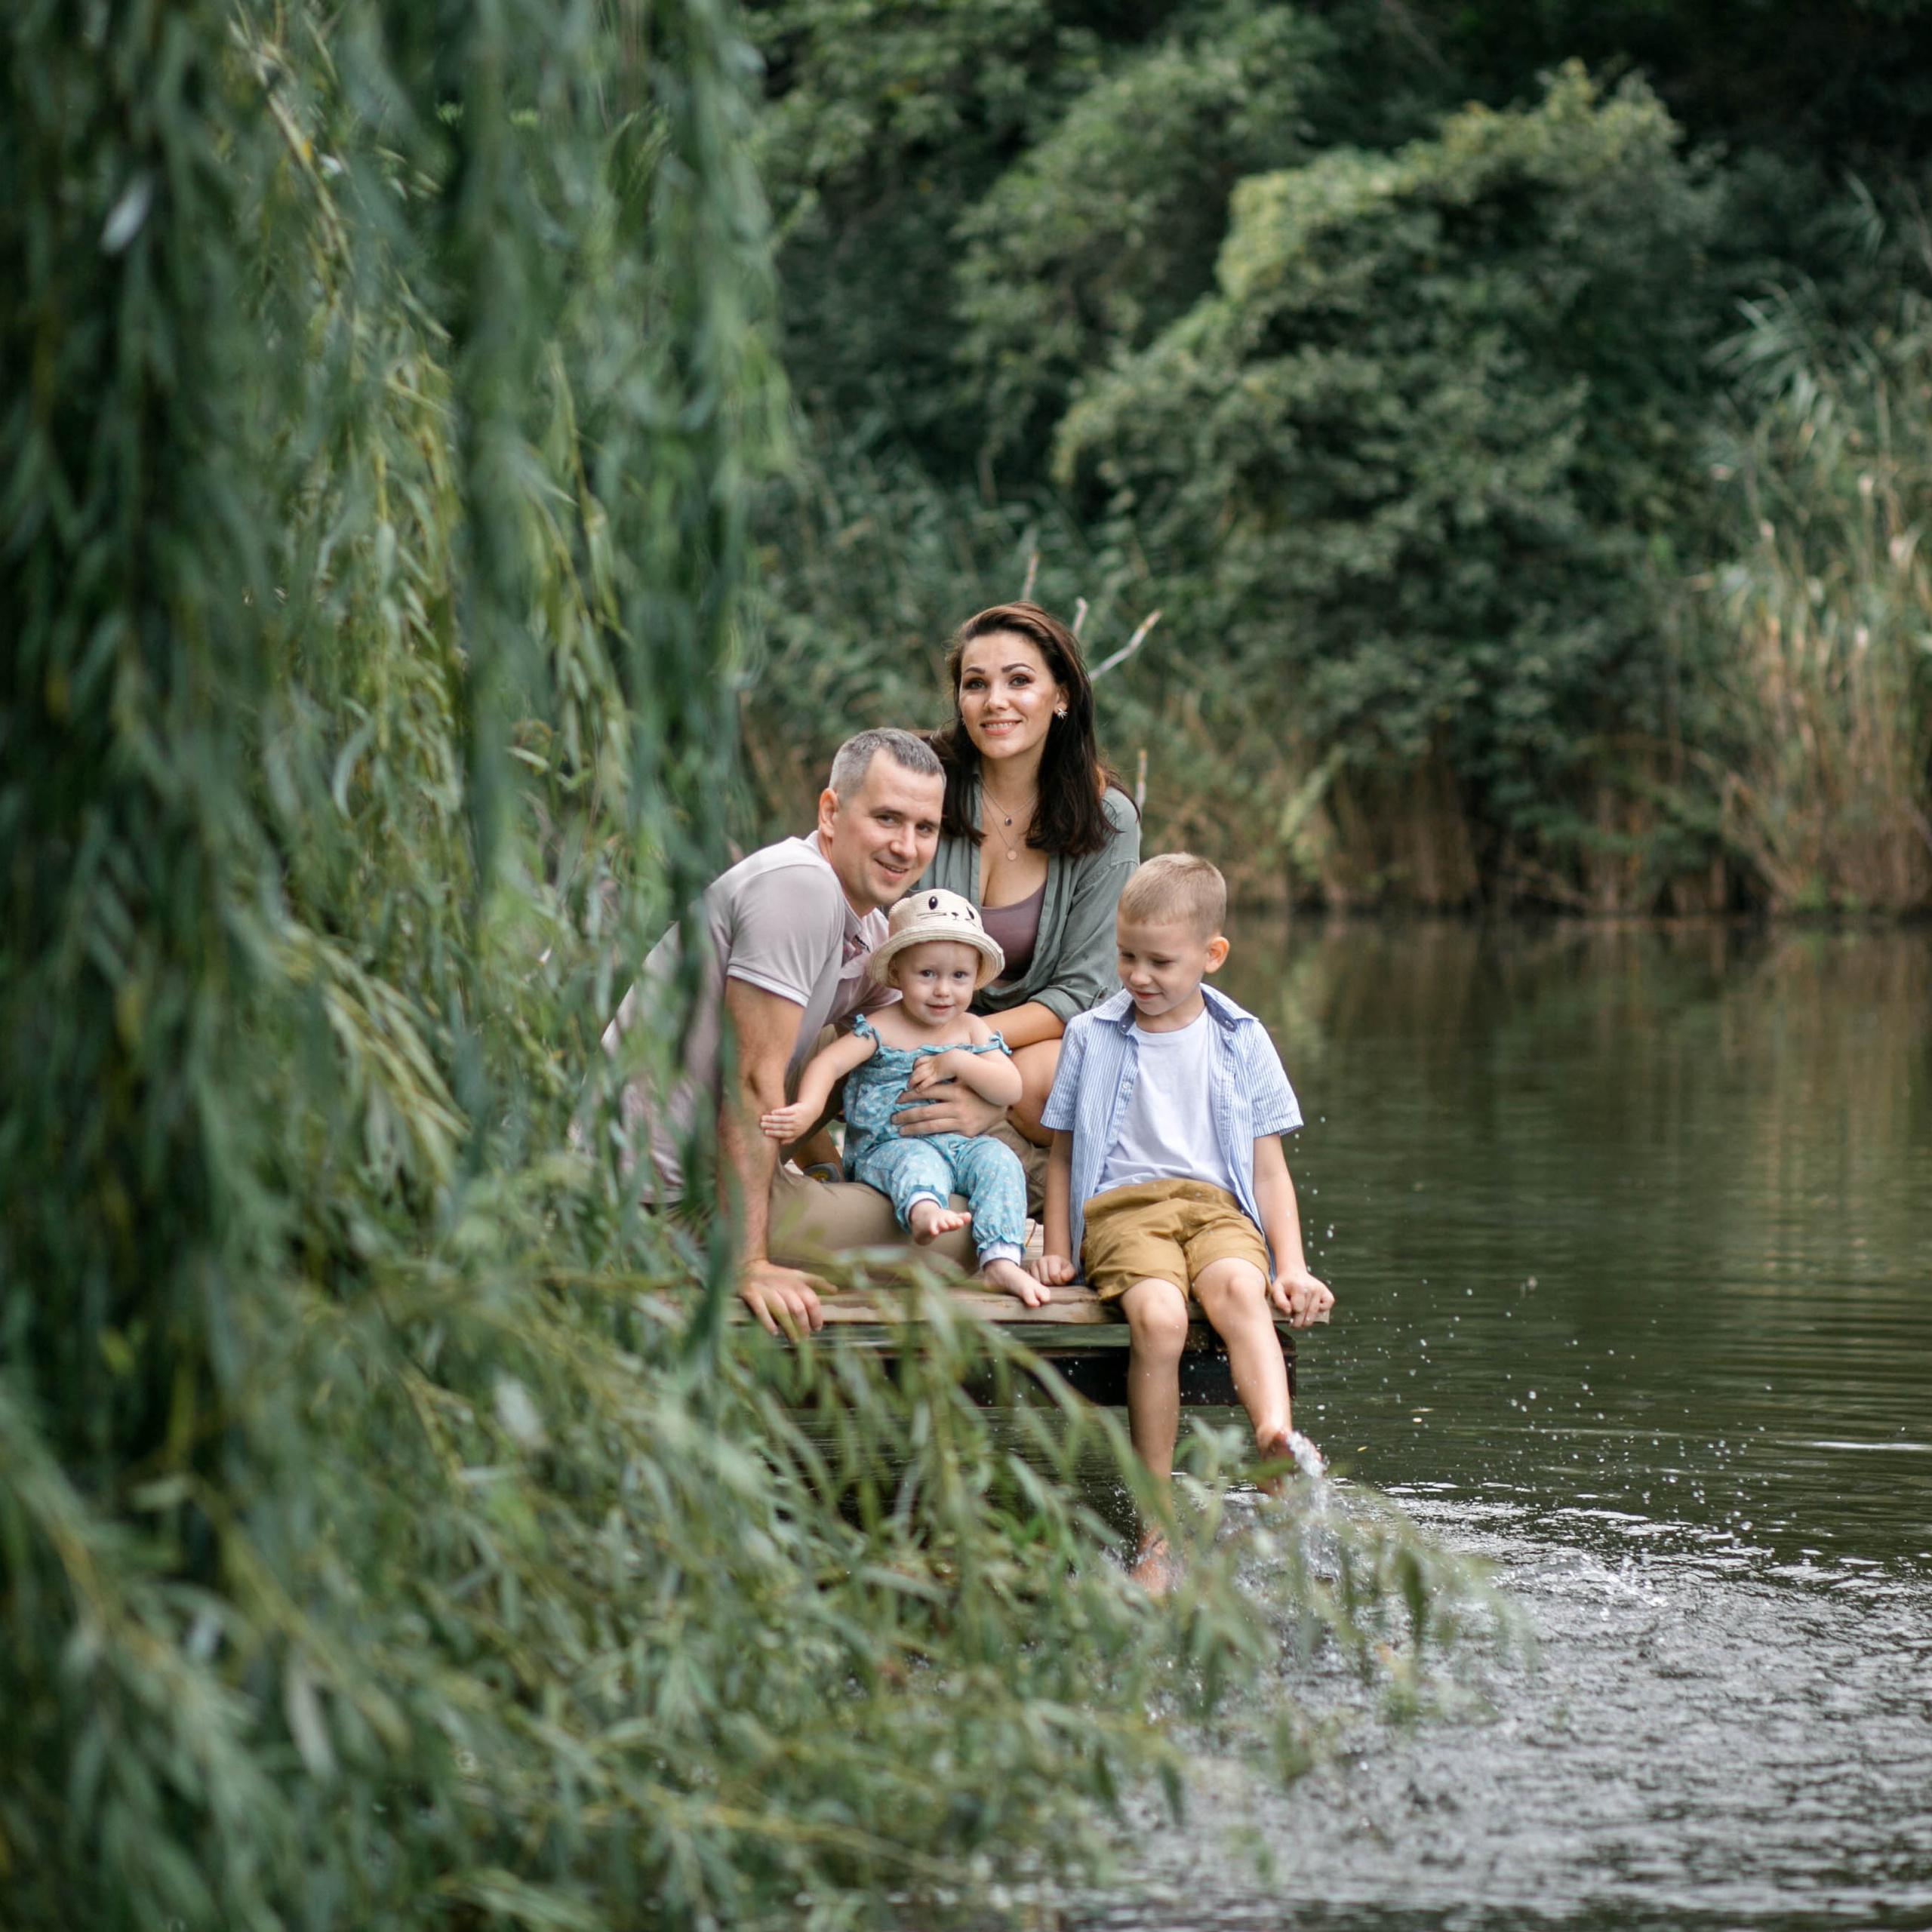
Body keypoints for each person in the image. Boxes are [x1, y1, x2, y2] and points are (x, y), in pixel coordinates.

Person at [1035, 853, 1334, 1587]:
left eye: (1159, 962)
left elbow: (1267, 1171)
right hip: (1122, 1212)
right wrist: (1055, 1246)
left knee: (1240, 1287)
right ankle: (1155, 1527)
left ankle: (1272, 1437)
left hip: (1214, 1208)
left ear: (1212, 954)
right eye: (1127, 955)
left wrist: (1289, 1265)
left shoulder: (1241, 1039)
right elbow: (1063, 1155)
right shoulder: (1091, 1035)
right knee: (1161, 1318)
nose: (1138, 976)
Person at [598, 728, 945, 1336]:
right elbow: (752, 1083)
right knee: (960, 1246)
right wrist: (750, 1265)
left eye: (926, 828)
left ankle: (820, 1184)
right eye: (887, 818)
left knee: (946, 1205)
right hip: (665, 1202)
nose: (905, 847)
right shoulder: (798, 886)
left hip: (720, 1176)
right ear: (830, 813)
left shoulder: (868, 926)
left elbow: (914, 1040)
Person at [917, 602, 1140, 1154]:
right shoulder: (923, 786)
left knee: (1048, 1083)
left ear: (1061, 695)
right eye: (976, 684)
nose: (996, 702)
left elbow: (1087, 988)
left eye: (1019, 681)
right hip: (917, 1020)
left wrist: (972, 1050)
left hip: (1034, 1044)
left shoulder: (1107, 819)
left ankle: (988, 1132)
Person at [758, 890, 1046, 1306]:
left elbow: (1010, 1088)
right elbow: (829, 1063)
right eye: (927, 974)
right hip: (889, 1147)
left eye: (959, 977)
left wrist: (960, 1063)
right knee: (917, 1162)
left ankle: (1001, 1260)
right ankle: (923, 1211)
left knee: (1001, 1162)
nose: (943, 990)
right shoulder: (881, 1027)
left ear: (976, 976)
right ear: (897, 973)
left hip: (961, 1147)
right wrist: (807, 1106)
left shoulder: (971, 1029)